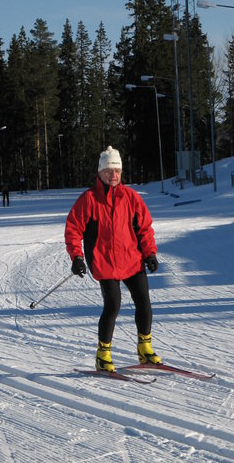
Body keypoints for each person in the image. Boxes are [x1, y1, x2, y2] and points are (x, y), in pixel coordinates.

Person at [64, 146, 161, 372]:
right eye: (108, 171)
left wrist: (150, 253)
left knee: (144, 302)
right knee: (113, 305)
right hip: (104, 262)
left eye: (117, 171)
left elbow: (144, 229)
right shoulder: (89, 199)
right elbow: (73, 229)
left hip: (131, 259)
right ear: (100, 172)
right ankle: (103, 355)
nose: (113, 175)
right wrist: (77, 256)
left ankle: (145, 349)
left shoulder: (131, 197)